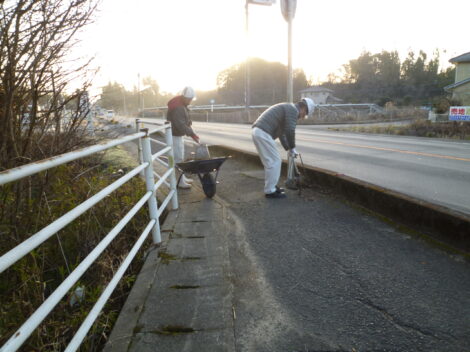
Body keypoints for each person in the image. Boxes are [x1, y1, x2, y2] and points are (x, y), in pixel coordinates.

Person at [251, 98, 315, 199]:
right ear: (304, 108)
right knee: (275, 161)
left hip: (259, 131)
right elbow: (290, 130)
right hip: (263, 132)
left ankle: (271, 187)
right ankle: (270, 191)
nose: (303, 117)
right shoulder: (293, 110)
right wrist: (292, 147)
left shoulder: (289, 108)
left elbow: (282, 134)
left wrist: (289, 148)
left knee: (270, 162)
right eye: (305, 114)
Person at [166, 86, 200, 188]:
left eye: (191, 99)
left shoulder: (181, 104)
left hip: (176, 134)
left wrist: (190, 130)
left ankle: (182, 178)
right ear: (184, 97)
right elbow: (180, 124)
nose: (190, 101)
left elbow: (184, 121)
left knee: (179, 158)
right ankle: (180, 182)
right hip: (174, 135)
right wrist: (192, 134)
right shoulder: (179, 107)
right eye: (189, 99)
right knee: (178, 159)